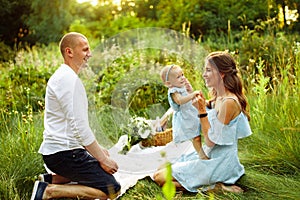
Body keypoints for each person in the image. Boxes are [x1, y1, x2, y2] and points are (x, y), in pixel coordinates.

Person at [30, 32, 121, 200]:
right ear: (69, 52)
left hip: (66, 151)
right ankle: (49, 191)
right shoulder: (67, 80)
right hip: (64, 154)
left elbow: (76, 128)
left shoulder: (67, 77)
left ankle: (51, 179)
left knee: (99, 169)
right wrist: (102, 159)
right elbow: (80, 128)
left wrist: (98, 150)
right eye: (85, 49)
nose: (90, 54)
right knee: (112, 188)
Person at [154, 51, 252, 193]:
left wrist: (201, 112)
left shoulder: (229, 102)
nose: (204, 74)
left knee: (159, 177)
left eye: (208, 70)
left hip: (220, 162)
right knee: (160, 168)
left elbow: (211, 140)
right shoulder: (219, 95)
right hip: (209, 154)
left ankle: (215, 187)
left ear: (221, 74)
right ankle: (201, 184)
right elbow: (204, 107)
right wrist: (189, 93)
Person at [160, 64, 208, 160]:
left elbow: (188, 96)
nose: (182, 78)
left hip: (192, 113)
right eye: (178, 77)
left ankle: (204, 151)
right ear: (169, 83)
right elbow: (180, 101)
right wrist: (193, 94)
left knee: (201, 133)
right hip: (186, 116)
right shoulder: (173, 91)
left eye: (182, 75)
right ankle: (201, 155)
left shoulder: (181, 86)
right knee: (195, 136)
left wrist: (190, 90)